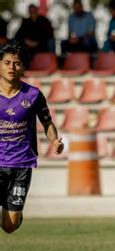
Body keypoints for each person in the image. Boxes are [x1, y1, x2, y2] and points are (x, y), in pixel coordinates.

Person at [0, 43, 64, 234]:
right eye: (7, 63)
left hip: (22, 165)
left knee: (9, 226)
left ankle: (14, 215)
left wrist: (54, 141)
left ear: (23, 67)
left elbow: (47, 123)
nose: (12, 67)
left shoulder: (33, 95)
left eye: (17, 63)